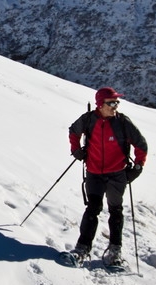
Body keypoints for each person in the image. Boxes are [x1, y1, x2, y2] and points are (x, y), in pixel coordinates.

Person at [62, 87, 148, 267]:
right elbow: (73, 131)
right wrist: (75, 150)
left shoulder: (123, 123)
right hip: (94, 173)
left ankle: (115, 251)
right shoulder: (88, 120)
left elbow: (141, 144)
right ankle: (82, 249)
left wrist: (138, 167)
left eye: (117, 102)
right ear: (100, 104)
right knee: (93, 208)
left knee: (115, 211)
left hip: (117, 174)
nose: (115, 106)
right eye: (111, 102)